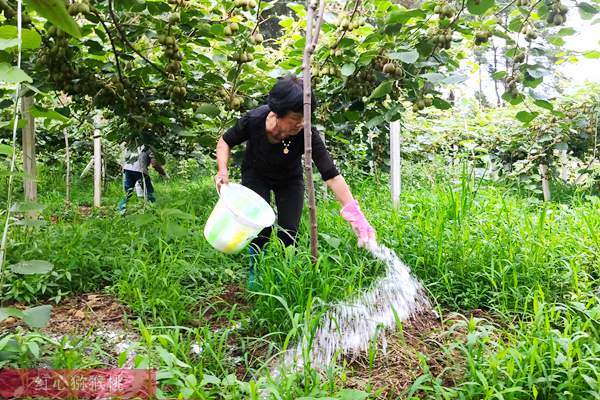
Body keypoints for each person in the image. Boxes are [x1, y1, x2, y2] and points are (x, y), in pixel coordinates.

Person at [214, 76, 376, 285]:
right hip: (256, 174)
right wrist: (222, 170)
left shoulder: (306, 133)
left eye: (306, 117)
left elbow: (332, 175)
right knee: (261, 227)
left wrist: (356, 216)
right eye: (296, 117)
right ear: (276, 113)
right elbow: (225, 141)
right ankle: (256, 268)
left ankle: (283, 273)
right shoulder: (254, 120)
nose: (302, 123)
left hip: (289, 179)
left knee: (289, 230)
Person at [117, 141, 168, 212]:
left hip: (128, 168)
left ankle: (120, 210)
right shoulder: (150, 145)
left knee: (128, 192)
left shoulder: (134, 142)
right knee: (149, 191)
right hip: (140, 170)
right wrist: (163, 174)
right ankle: (154, 209)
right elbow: (154, 164)